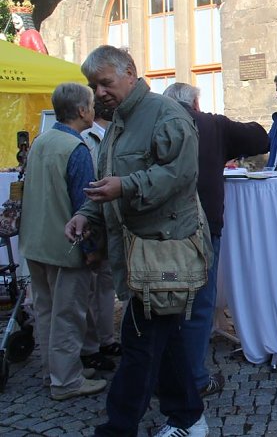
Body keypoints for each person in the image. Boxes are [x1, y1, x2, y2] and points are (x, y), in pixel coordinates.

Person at [64, 46, 208, 437]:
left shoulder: (166, 115)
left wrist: (125, 186)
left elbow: (180, 176)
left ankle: (119, 428)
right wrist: (85, 215)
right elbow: (104, 185)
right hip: (135, 254)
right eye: (94, 85)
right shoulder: (118, 123)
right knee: (166, 338)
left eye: (105, 82)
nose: (99, 92)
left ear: (131, 72)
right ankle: (189, 417)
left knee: (139, 343)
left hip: (163, 250)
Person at [163, 82, 269, 397]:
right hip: (201, 228)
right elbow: (259, 137)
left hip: (160, 231)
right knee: (198, 303)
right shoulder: (210, 124)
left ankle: (162, 376)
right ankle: (193, 379)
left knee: (164, 302)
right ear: (194, 103)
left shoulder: (156, 123)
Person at [19, 82, 108, 401]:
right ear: (82, 110)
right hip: (64, 247)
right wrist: (92, 251)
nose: (95, 109)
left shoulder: (42, 140)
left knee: (46, 311)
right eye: (91, 104)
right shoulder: (76, 148)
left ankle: (53, 370)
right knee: (68, 314)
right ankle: (66, 381)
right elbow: (83, 205)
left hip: (36, 244)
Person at [80, 100, 121, 370]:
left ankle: (106, 339)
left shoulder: (118, 134)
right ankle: (92, 346)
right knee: (91, 286)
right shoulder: (86, 139)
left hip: (110, 221)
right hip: (96, 221)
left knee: (106, 284)